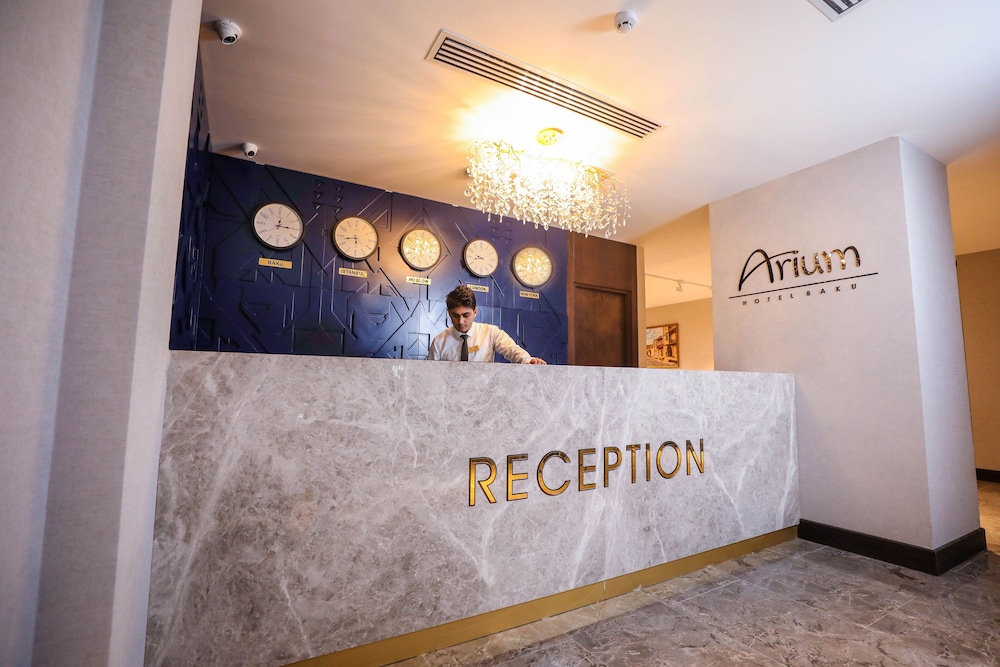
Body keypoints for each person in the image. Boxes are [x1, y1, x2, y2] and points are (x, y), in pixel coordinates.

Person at [427, 285, 547, 364]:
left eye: (466, 315)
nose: (461, 321)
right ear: (449, 313)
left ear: (475, 312)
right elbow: (431, 374)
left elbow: (512, 350)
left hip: (484, 392)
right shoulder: (439, 342)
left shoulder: (491, 333)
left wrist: (528, 361)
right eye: (455, 315)